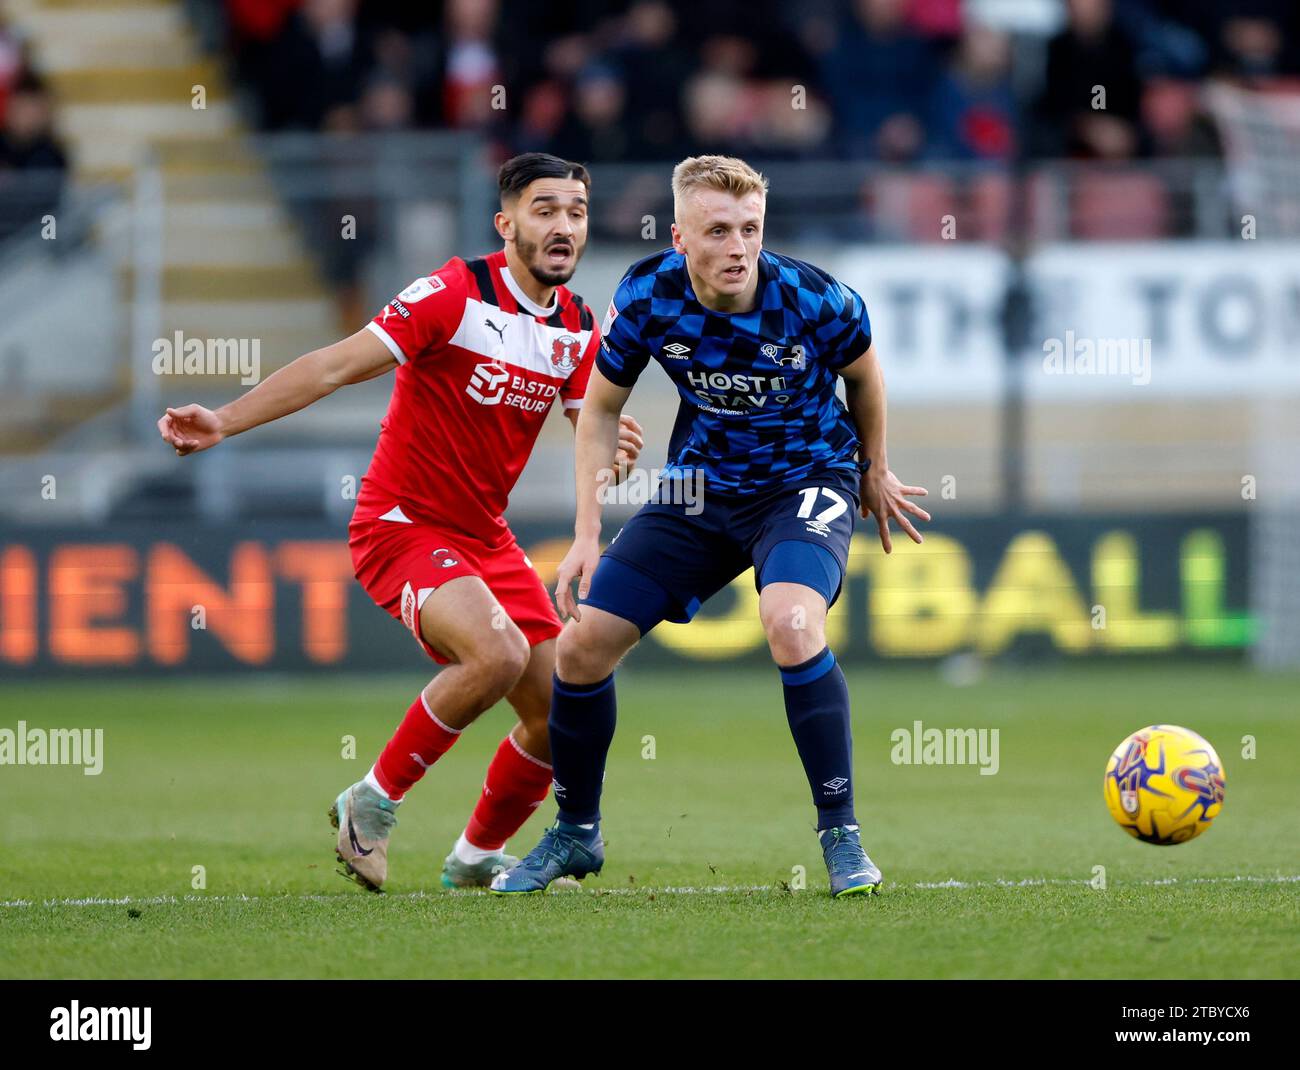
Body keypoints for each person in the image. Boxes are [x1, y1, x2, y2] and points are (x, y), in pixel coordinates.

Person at [158, 153, 643, 891]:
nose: (564, 227)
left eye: (576, 212)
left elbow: (590, 437)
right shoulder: (452, 293)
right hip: (402, 523)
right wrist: (224, 419)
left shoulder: (577, 324)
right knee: (497, 654)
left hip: (485, 536)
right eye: (545, 210)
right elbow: (333, 365)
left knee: (558, 714)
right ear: (505, 222)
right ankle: (370, 807)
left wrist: (610, 457)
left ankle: (476, 857)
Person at [492, 154, 928, 898]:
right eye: (718, 230)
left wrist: (873, 470)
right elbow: (598, 409)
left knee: (791, 623)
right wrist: (588, 534)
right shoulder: (648, 295)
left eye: (750, 229)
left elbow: (865, 376)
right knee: (581, 646)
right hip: (699, 490)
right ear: (679, 237)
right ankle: (575, 833)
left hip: (804, 483)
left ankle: (841, 835)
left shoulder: (817, 299)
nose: (738, 247)